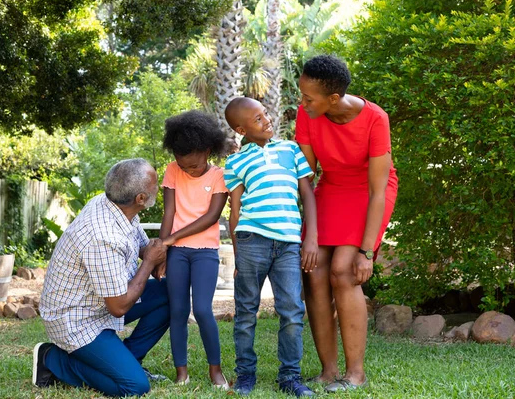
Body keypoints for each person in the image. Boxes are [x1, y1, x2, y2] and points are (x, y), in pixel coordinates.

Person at [295, 54, 398, 392]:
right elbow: (305, 178)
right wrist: (308, 236)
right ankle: (328, 371)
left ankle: (356, 373)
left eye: (309, 97)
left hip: (369, 192)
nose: (303, 102)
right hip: (331, 188)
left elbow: (378, 190)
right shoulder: (308, 113)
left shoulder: (375, 119)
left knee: (344, 269)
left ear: (334, 99)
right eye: (302, 94)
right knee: (314, 268)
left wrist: (366, 252)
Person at [34, 158, 170, 397]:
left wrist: (157, 252)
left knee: (171, 292)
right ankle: (52, 360)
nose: (158, 187)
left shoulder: (115, 206)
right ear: (140, 198)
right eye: (155, 184)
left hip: (100, 303)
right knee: (134, 387)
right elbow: (118, 306)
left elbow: (140, 246)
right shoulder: (102, 235)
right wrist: (150, 261)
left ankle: (129, 361)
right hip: (76, 319)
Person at [224, 97, 319, 397]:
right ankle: (245, 375)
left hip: (289, 243)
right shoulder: (236, 161)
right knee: (245, 312)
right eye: (257, 118)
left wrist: (311, 238)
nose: (266, 120)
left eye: (265, 114)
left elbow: (307, 194)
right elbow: (235, 212)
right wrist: (239, 254)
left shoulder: (291, 150)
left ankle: (290, 376)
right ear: (241, 129)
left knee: (292, 310)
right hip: (252, 240)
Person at [159, 110, 229, 388]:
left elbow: (211, 217)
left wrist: (168, 240)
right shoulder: (172, 170)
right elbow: (169, 212)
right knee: (177, 311)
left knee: (201, 309)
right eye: (183, 166)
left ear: (208, 151)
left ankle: (216, 370)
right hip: (176, 253)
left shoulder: (219, 176)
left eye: (195, 167)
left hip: (205, 253)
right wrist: (163, 251)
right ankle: (181, 372)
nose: (189, 171)